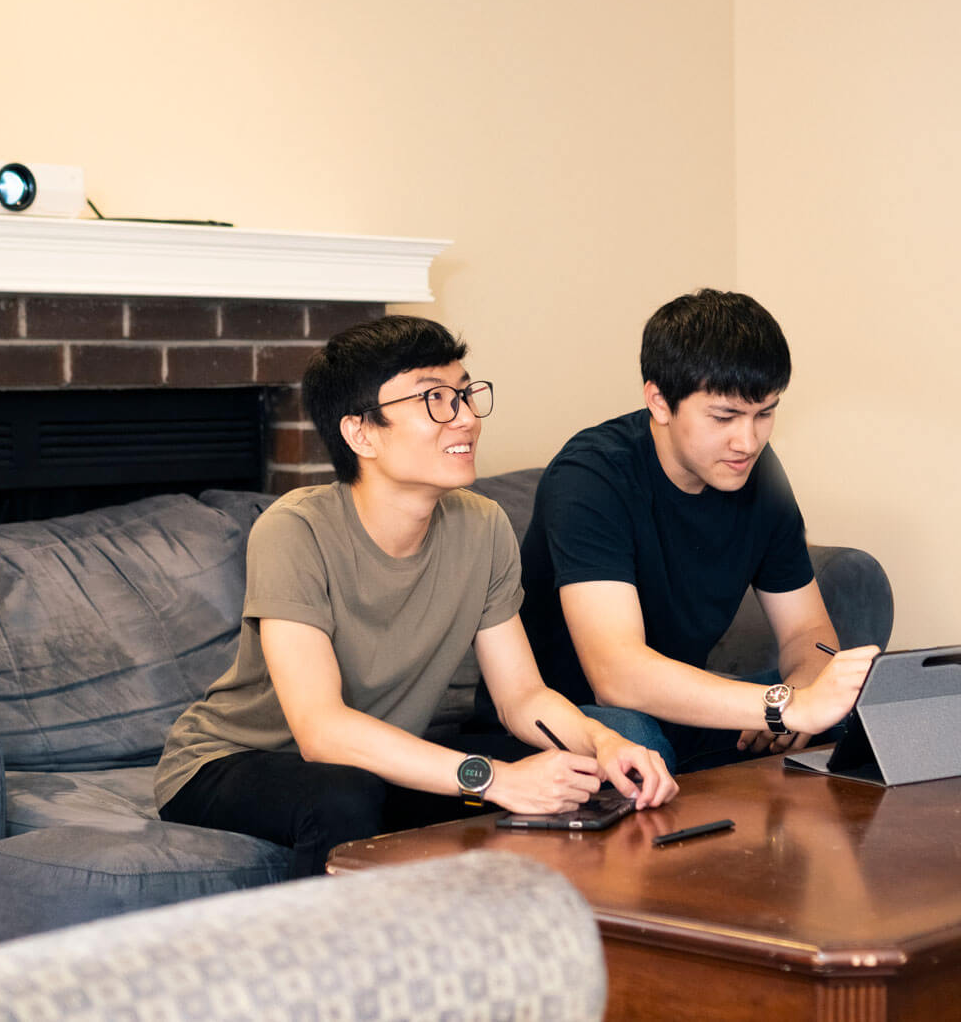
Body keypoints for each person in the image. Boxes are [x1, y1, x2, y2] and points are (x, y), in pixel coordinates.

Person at [155, 315, 676, 877]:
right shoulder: (294, 530)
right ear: (361, 433)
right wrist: (495, 778)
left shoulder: (483, 526)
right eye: (435, 399)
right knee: (346, 796)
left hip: (375, 763)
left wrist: (602, 743)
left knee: (584, 780)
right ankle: (334, 966)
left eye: (466, 394)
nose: (468, 419)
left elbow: (521, 697)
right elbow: (321, 730)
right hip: (229, 763)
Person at [518, 289, 878, 775]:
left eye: (765, 413)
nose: (747, 441)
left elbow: (808, 632)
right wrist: (779, 706)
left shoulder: (758, 476)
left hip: (677, 712)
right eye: (724, 417)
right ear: (660, 401)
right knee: (636, 738)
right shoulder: (591, 477)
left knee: (857, 707)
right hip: (567, 722)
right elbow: (616, 676)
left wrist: (800, 694)